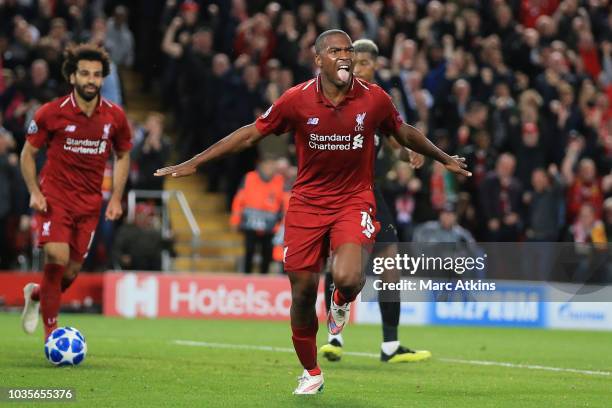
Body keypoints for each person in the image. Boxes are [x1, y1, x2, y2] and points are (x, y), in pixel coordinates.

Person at [154, 29, 469, 394]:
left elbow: (404, 132)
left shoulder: (374, 99)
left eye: (349, 50)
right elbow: (250, 134)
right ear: (317, 59)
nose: (345, 56)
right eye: (336, 50)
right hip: (307, 203)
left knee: (349, 277)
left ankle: (340, 303)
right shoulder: (296, 100)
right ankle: (311, 371)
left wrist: (443, 159)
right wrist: (196, 161)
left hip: (354, 198)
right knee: (302, 292)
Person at [319, 39, 432, 364]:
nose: (361, 66)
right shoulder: (335, 95)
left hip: (371, 190)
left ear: (374, 66)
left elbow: (394, 138)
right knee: (340, 263)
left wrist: (407, 152)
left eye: (367, 62)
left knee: (389, 264)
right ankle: (334, 337)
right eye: (358, 61)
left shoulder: (378, 101)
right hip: (337, 192)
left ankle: (390, 345)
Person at [19, 44, 132, 340]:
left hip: (90, 204)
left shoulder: (114, 118)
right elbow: (27, 154)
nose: (91, 80)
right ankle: (52, 334)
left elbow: (123, 155)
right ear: (72, 77)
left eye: (96, 75)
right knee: (56, 257)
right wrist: (34, 191)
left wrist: (117, 198)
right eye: (84, 73)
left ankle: (36, 297)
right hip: (54, 198)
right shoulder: (51, 113)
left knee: (68, 274)